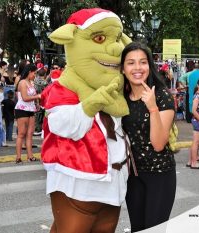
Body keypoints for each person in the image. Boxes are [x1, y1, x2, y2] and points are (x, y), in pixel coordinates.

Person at [42, 8, 131, 233]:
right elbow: (58, 124)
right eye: (100, 38)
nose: (115, 48)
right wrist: (89, 105)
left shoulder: (120, 89)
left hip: (113, 183)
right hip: (78, 184)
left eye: (118, 38)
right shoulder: (65, 87)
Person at [121, 42, 177, 232]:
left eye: (143, 62)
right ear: (122, 68)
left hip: (159, 174)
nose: (137, 68)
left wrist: (152, 107)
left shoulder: (162, 96)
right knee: (137, 228)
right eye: (131, 63)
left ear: (149, 66)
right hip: (133, 176)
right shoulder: (120, 97)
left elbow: (159, 143)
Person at [14, 64, 41, 163]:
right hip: (22, 109)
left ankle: (30, 156)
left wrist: (37, 103)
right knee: (21, 133)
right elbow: (25, 98)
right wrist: (38, 97)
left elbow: (33, 95)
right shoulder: (22, 82)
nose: (35, 75)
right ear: (29, 72)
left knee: (30, 134)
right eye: (34, 73)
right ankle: (18, 157)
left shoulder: (31, 82)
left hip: (31, 109)